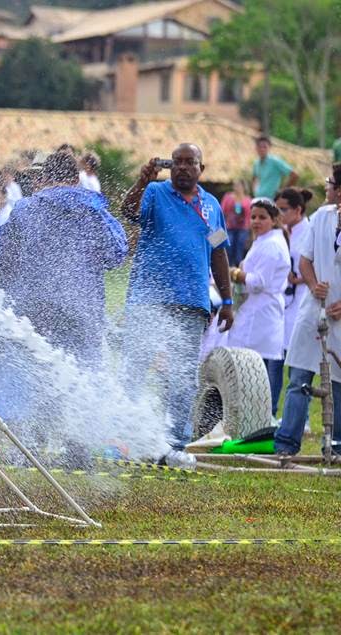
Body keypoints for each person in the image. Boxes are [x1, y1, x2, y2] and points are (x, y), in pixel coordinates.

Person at [119, 144, 234, 458]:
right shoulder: (156, 193)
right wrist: (142, 180)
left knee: (182, 376)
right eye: (177, 162)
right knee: (135, 368)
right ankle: (122, 436)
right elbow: (128, 211)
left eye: (189, 162)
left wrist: (227, 299)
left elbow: (219, 253)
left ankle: (174, 443)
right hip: (149, 301)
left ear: (201, 168)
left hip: (191, 303)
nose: (182, 167)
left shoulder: (211, 206)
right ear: (170, 166)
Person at [0, 151, 128, 368]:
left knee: (32, 374)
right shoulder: (93, 209)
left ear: (46, 178)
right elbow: (116, 254)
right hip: (82, 310)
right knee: (81, 380)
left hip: (33, 309)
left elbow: (2, 256)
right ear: (76, 179)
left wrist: (13, 287)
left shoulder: (25, 208)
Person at [275, 164, 341, 458]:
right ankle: (286, 444)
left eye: (329, 183)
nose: (325, 187)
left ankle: (337, 444)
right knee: (299, 378)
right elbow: (305, 260)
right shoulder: (322, 218)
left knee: (339, 383)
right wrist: (313, 285)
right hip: (313, 310)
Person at [226, 198, 291, 414]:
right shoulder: (262, 240)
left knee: (257, 367)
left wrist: (234, 273)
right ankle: (251, 413)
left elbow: (258, 282)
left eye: (262, 217)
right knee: (250, 366)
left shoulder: (272, 244)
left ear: (273, 220)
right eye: (253, 217)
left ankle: (262, 415)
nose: (256, 221)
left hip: (262, 311)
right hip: (256, 309)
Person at [271, 187, 314, 413]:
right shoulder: (281, 231)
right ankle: (272, 411)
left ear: (298, 210)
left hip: (302, 302)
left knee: (298, 364)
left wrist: (296, 277)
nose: (279, 214)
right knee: (276, 359)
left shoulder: (309, 230)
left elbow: (313, 265)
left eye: (283, 209)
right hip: (282, 304)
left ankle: (302, 416)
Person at [252, 135, 298, 200]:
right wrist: (255, 191)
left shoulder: (275, 161)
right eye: (259, 146)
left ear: (269, 148)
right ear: (256, 148)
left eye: (264, 147)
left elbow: (294, 175)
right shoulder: (256, 163)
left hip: (272, 200)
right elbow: (254, 178)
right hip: (259, 199)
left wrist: (282, 191)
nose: (262, 149)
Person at [220, 180, 252, 266]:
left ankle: (238, 269)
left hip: (243, 228)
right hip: (229, 226)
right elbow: (222, 211)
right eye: (235, 185)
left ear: (243, 187)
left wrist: (250, 232)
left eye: (239, 185)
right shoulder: (228, 197)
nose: (236, 187)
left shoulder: (248, 200)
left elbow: (249, 216)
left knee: (239, 249)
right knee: (228, 246)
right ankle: (229, 267)